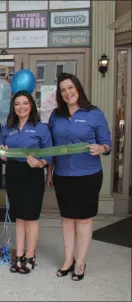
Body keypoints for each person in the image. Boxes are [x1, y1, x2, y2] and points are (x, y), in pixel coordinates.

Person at [47, 73, 112, 281]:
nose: (67, 93)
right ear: (60, 94)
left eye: (70, 88)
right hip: (63, 175)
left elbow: (108, 144)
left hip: (88, 175)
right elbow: (52, 148)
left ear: (78, 89)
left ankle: (81, 261)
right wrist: (49, 172)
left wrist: (101, 148)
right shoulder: (55, 117)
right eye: (63, 90)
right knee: (67, 219)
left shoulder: (94, 114)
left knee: (83, 220)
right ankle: (68, 259)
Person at [0, 90, 52, 274]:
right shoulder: (7, 128)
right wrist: (3, 156)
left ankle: (30, 255)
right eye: (17, 104)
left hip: (33, 174)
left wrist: (40, 163)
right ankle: (19, 255)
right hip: (13, 174)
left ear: (31, 106)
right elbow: (3, 156)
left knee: (31, 217)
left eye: (25, 103)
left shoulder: (41, 128)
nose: (21, 107)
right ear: (13, 107)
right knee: (19, 217)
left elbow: (50, 154)